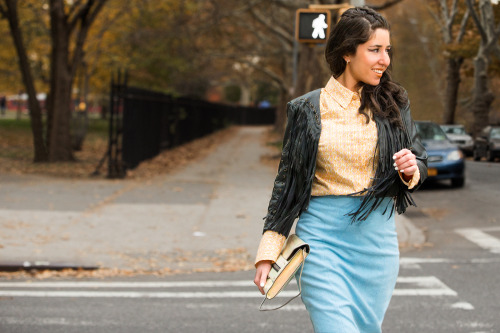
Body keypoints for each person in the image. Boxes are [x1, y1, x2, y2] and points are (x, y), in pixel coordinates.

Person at [253, 7, 428, 333]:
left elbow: (419, 163)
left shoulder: (394, 103)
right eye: (374, 50)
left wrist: (409, 169)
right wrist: (268, 251)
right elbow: (286, 184)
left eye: (387, 50)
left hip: (377, 246)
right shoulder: (307, 109)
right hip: (322, 244)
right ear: (348, 52)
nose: (385, 59)